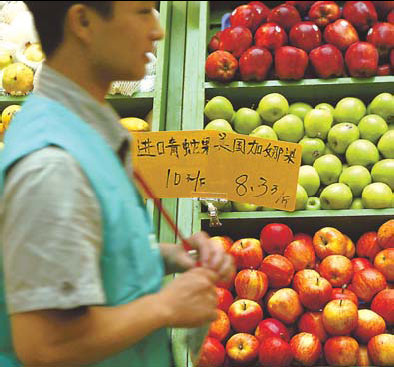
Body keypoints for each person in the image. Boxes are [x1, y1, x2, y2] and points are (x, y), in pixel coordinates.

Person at [0, 2, 235, 367]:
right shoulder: (52, 165)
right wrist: (165, 307)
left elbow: (81, 259)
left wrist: (162, 258)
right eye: (142, 11)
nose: (157, 30)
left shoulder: (83, 125)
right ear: (82, 21)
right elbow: (46, 346)